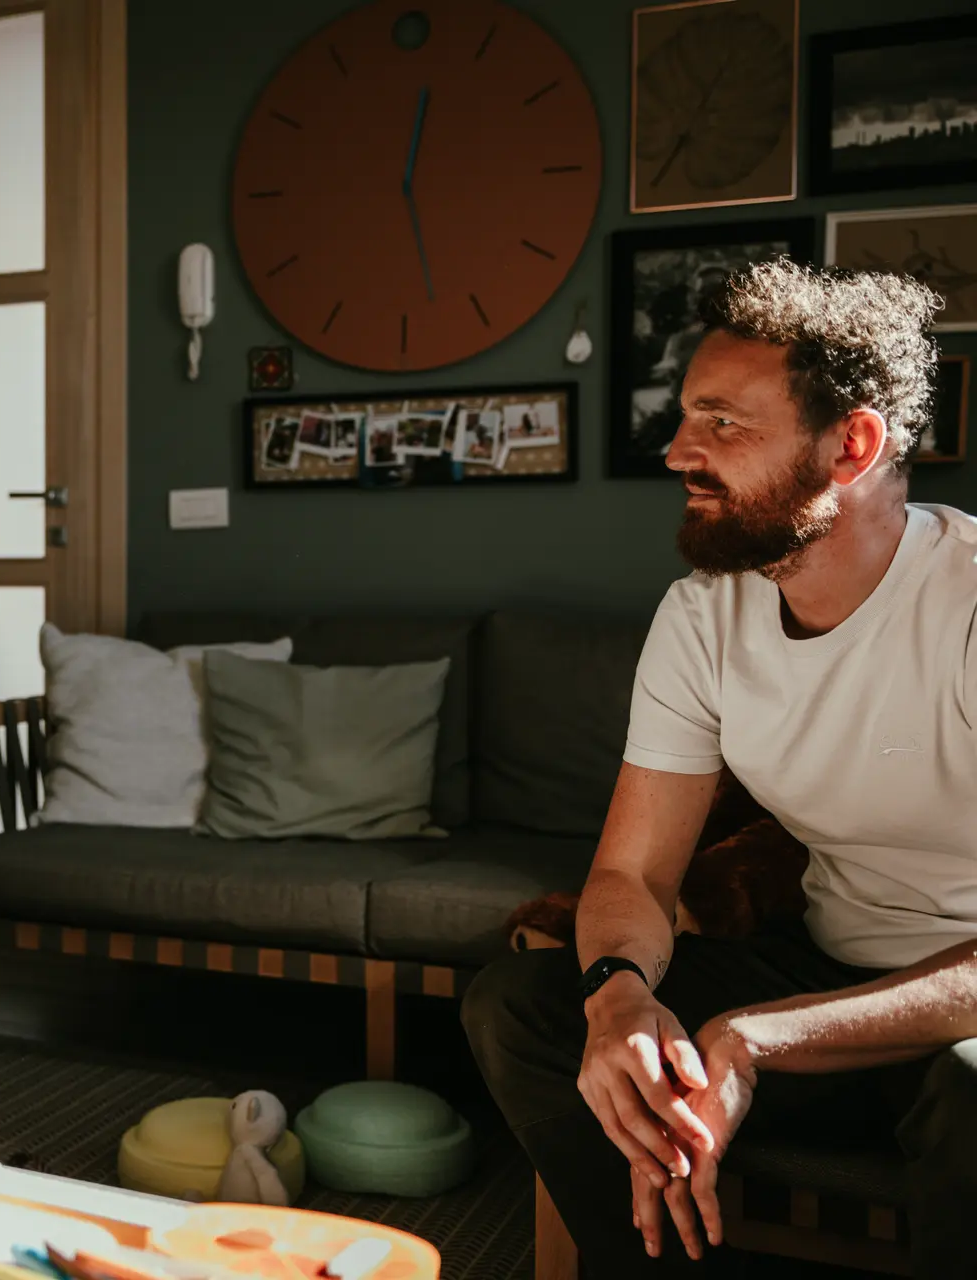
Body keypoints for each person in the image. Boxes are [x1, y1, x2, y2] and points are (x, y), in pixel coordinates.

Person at [462, 260, 976, 1275]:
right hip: (821, 964)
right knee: (519, 1006)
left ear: (853, 445)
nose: (679, 450)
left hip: (955, 1013)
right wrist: (617, 999)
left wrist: (757, 1037)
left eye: (723, 423)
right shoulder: (703, 615)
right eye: (687, 414)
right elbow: (633, 876)